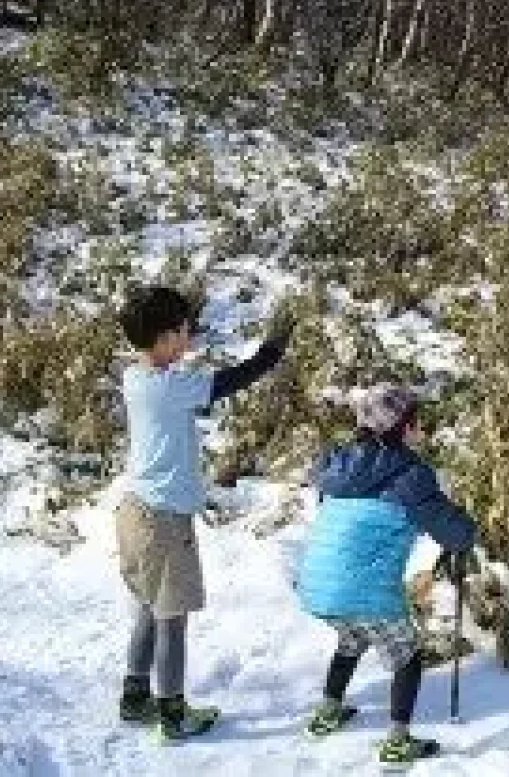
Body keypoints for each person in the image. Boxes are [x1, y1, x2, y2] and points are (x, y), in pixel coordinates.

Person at [114, 285, 289, 742]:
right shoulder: (168, 386)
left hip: (135, 513)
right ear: (166, 337)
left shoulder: (137, 377)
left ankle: (136, 697)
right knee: (173, 619)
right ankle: (172, 715)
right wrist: (271, 352)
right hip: (164, 520)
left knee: (150, 609)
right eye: (185, 332)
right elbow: (230, 382)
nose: (190, 339)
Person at [297, 384, 477, 766]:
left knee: (352, 638)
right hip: (365, 592)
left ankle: (328, 711)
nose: (422, 430)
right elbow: (452, 532)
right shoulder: (409, 475)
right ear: (404, 428)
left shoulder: (337, 464)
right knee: (408, 656)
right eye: (417, 422)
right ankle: (397, 741)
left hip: (318, 585)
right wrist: (466, 530)